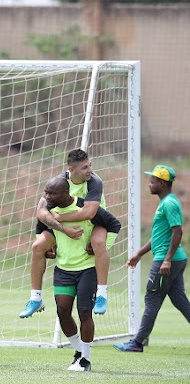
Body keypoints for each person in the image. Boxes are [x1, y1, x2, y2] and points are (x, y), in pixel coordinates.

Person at [20, 149, 116, 318]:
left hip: (96, 223)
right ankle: (35, 298)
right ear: (71, 170)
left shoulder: (95, 182)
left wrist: (60, 218)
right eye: (85, 167)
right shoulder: (59, 184)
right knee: (38, 246)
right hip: (65, 225)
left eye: (90, 165)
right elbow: (41, 211)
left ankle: (102, 294)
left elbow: (89, 213)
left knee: (99, 243)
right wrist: (59, 230)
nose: (90, 170)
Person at [41, 176, 120, 371]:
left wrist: (101, 247)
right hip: (63, 269)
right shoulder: (48, 212)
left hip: (87, 269)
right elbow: (41, 228)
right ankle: (79, 351)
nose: (47, 196)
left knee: (85, 312)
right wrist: (47, 247)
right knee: (62, 311)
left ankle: (85, 360)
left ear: (65, 194)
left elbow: (114, 224)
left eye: (52, 193)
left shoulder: (87, 209)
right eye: (46, 192)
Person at [115, 165, 190, 352]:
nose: (150, 184)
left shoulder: (170, 203)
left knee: (152, 298)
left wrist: (166, 260)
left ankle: (137, 343)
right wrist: (139, 254)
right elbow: (159, 236)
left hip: (167, 261)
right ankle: (138, 341)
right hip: (173, 259)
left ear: (162, 183)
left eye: (153, 180)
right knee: (179, 300)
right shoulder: (165, 202)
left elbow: (177, 232)